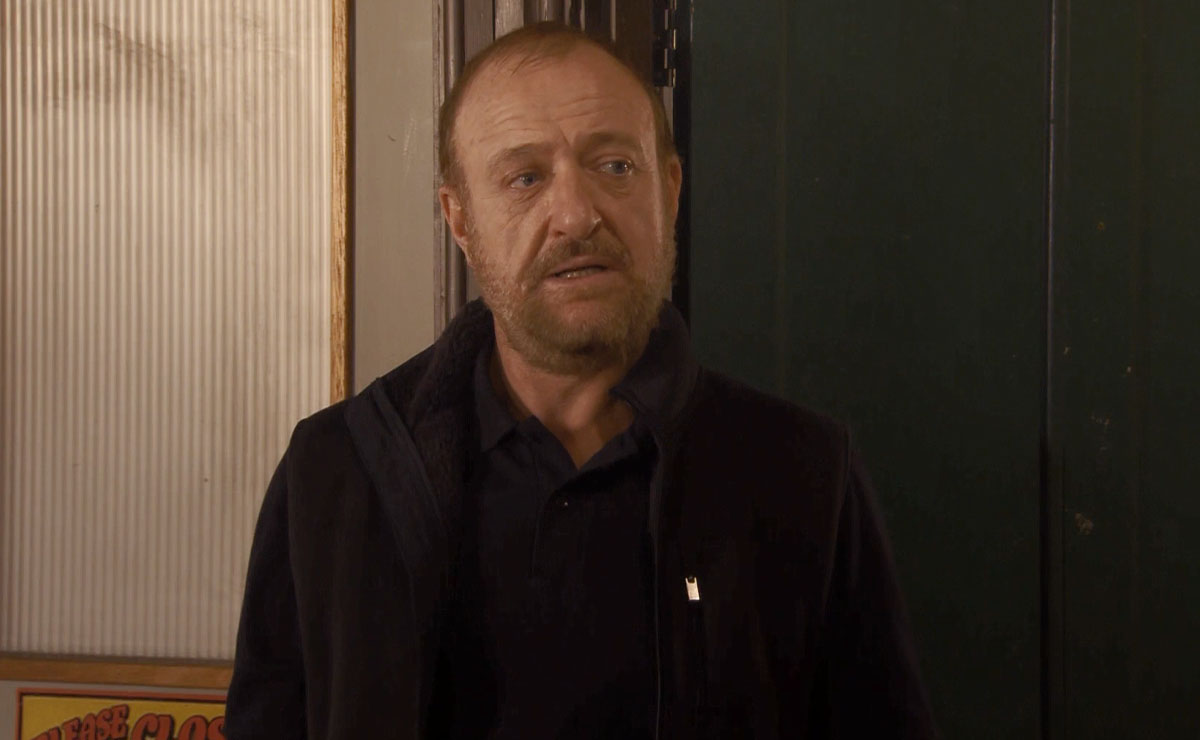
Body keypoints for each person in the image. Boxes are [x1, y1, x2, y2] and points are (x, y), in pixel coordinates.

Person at [225, 22, 936, 739]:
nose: (576, 214)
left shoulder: (804, 475)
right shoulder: (337, 473)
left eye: (615, 166)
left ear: (671, 190)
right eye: (525, 178)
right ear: (460, 220)